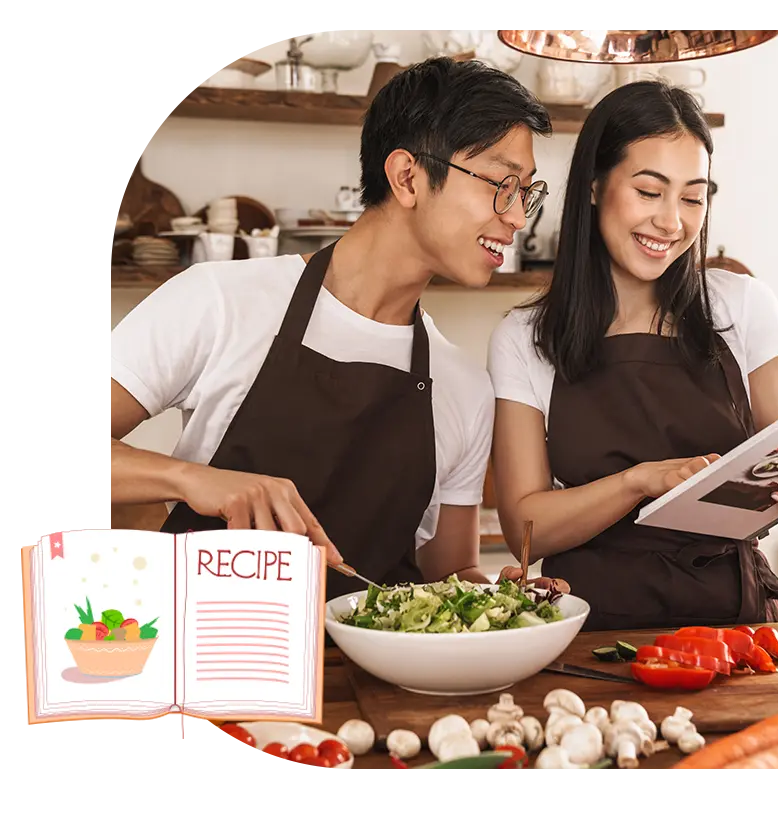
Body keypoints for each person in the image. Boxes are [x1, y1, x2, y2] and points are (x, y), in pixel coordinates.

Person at [107, 57, 552, 600]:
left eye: (526, 192)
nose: (517, 216)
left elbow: (447, 575)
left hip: (375, 682)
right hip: (212, 666)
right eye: (502, 184)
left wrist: (501, 599)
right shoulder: (220, 302)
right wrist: (192, 479)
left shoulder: (462, 384)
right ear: (407, 176)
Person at [487, 80, 778, 632]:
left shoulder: (743, 307)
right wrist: (638, 482)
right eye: (649, 191)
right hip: (586, 628)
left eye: (693, 197)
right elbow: (527, 529)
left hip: (733, 627)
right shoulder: (524, 336)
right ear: (594, 186)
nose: (672, 222)